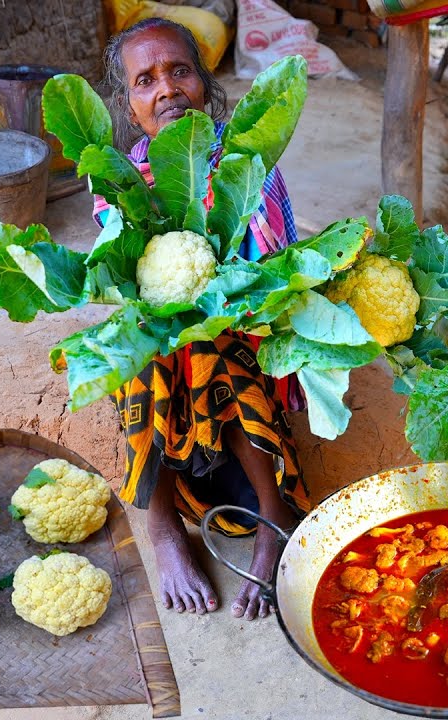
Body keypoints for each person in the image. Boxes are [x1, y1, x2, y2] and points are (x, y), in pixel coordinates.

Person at [95, 18, 311, 618]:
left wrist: (220, 307)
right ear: (129, 103)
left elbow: (277, 282)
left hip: (242, 346)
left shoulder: (247, 165)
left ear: (205, 84)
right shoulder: (117, 182)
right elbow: (121, 285)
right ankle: (163, 527)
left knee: (214, 342)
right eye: (146, 79)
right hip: (167, 366)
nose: (165, 88)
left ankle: (272, 522)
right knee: (139, 345)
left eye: (179, 71)